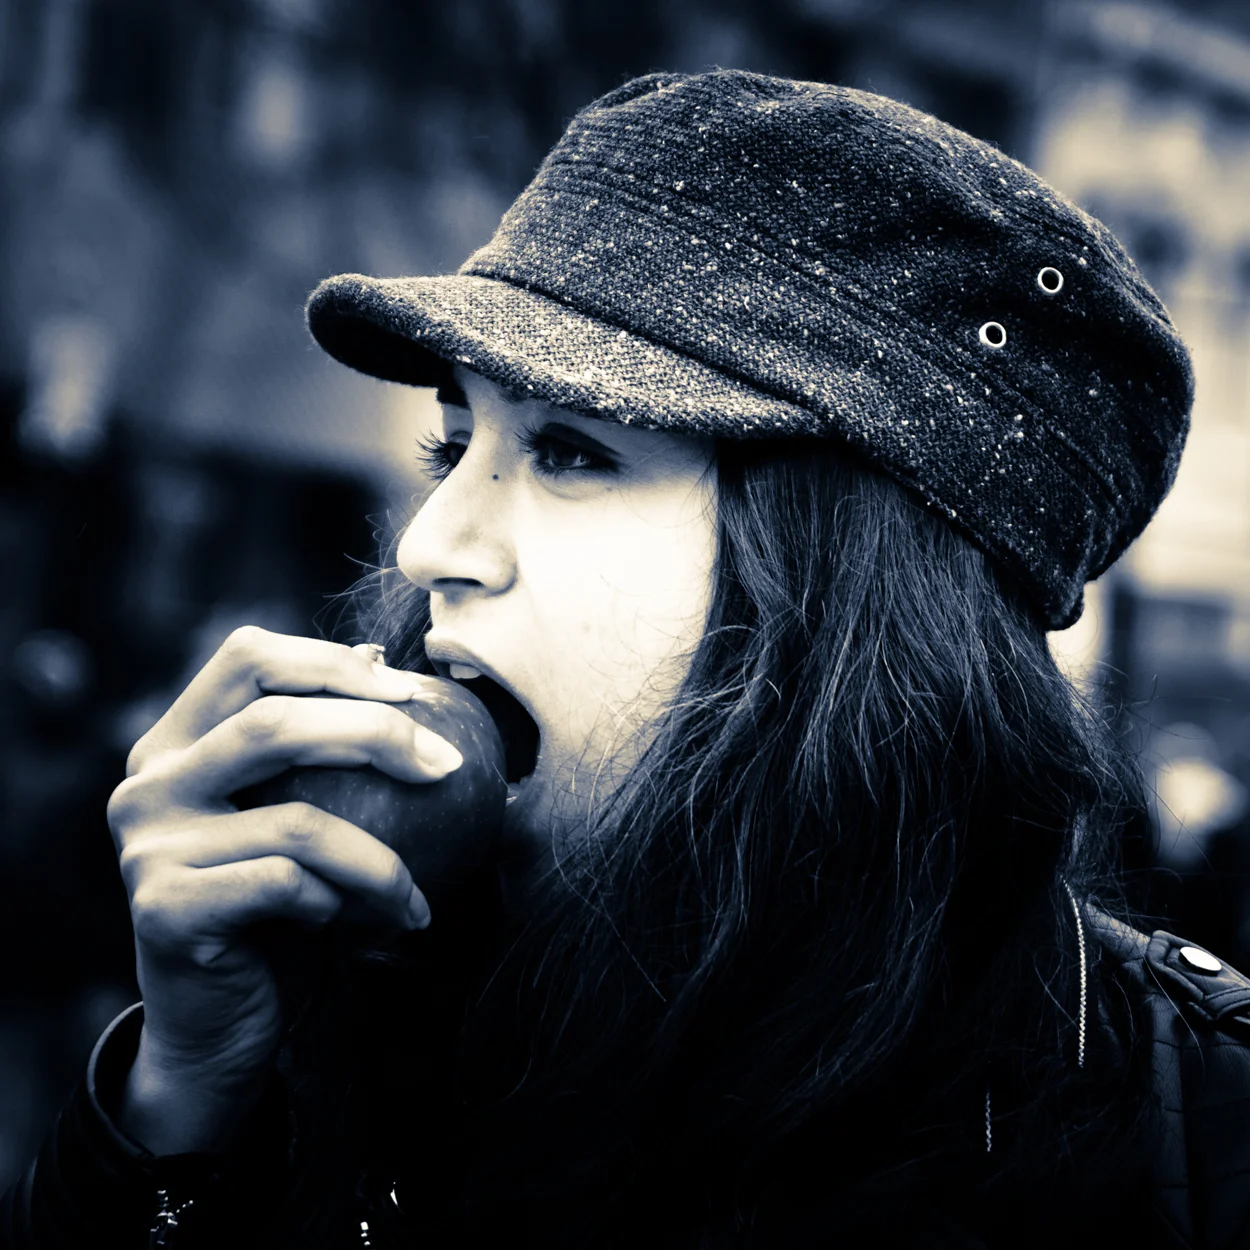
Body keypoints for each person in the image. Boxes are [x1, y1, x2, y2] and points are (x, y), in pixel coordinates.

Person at [6, 70, 1250, 1249]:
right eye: (452, 447)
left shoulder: (1198, 1130)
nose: (430, 545)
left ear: (847, 592)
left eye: (571, 452)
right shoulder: (340, 994)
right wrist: (180, 1109)